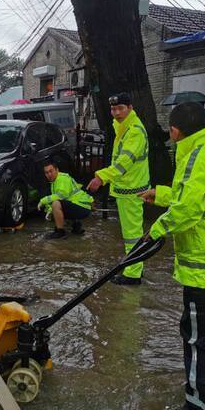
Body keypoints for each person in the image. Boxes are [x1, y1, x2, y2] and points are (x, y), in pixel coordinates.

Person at [140, 101, 205, 410]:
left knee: (199, 339)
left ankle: (200, 404)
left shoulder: (195, 158)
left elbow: (187, 210)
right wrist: (159, 194)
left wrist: (156, 229)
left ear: (174, 131)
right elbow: (197, 197)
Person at [87, 92, 149, 285]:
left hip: (132, 190)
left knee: (132, 235)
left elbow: (123, 163)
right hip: (127, 188)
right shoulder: (124, 128)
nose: (116, 113)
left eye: (120, 108)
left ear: (130, 108)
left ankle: (133, 274)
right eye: (113, 109)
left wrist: (101, 177)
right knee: (131, 233)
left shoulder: (134, 131)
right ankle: (133, 266)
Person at [37, 160, 93, 238]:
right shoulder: (56, 180)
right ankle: (76, 227)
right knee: (56, 207)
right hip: (82, 205)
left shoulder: (61, 179)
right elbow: (66, 199)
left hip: (82, 206)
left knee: (56, 204)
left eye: (51, 171)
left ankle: (60, 232)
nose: (49, 174)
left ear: (57, 170)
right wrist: (50, 210)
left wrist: (43, 201)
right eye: (46, 172)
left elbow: (61, 196)